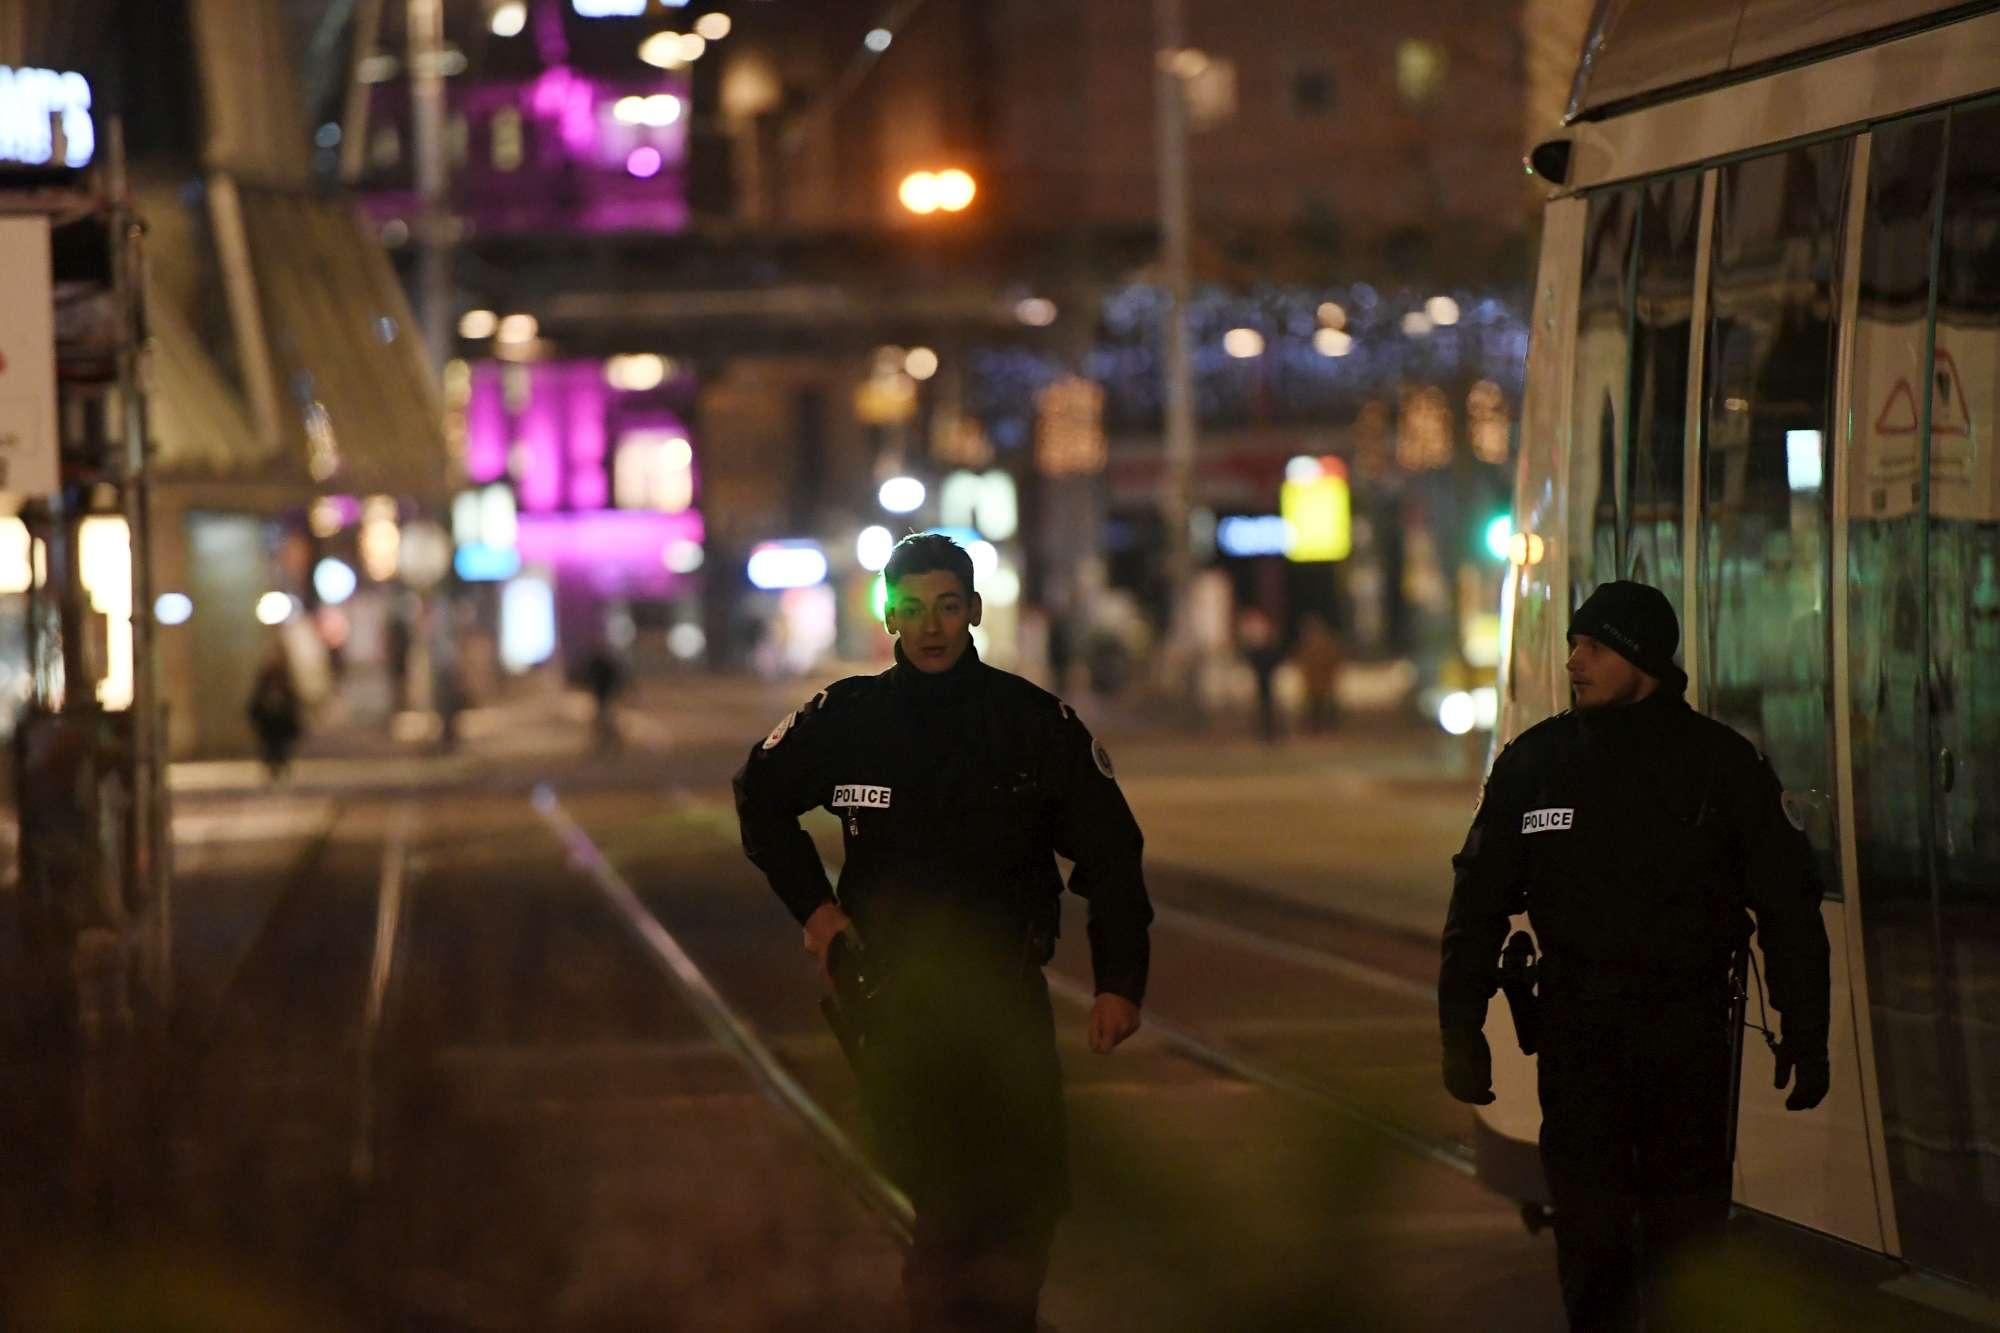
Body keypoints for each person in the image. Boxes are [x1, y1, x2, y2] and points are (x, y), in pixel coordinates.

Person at [734, 533, 1152, 1333]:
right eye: (914, 608)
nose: (931, 626)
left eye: (948, 607)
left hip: (1006, 1001)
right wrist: (818, 914)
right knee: (949, 1217)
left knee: (1026, 1206)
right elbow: (758, 796)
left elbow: (1112, 849)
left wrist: (1118, 982)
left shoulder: (1031, 725)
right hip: (897, 1004)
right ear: (889, 614)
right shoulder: (850, 719)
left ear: (974, 613)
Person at [1437, 580, 1831, 1332]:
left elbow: (1787, 907)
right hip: (1580, 1040)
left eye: (1592, 646)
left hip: (1688, 1043)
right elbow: (1478, 901)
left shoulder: (1721, 766)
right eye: (1572, 646)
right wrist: (1460, 1026)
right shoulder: (1537, 762)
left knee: (1689, 1244)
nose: (1574, 661)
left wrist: (1804, 1029)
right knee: (1591, 1243)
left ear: (1641, 656)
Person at [246, 644, 302, 780]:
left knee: (281, 747)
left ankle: (281, 766)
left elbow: (292, 699)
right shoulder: (265, 678)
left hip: (281, 721)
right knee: (270, 747)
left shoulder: (285, 678)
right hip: (269, 722)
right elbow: (257, 698)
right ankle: (273, 768)